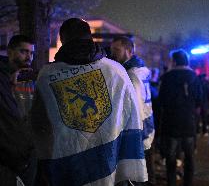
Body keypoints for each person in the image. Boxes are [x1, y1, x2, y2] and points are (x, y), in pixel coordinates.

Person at [30, 18, 147, 186]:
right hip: (109, 162)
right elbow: (131, 115)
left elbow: (39, 126)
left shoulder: (47, 75)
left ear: (62, 40)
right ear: (89, 37)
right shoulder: (116, 70)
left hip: (68, 167)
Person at [110, 36, 155, 185]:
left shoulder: (130, 75)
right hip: (147, 126)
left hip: (138, 130)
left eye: (117, 50)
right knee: (147, 173)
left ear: (129, 51)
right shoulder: (140, 70)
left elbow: (132, 108)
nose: (113, 54)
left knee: (137, 177)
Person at [159, 49, 202, 186]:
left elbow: (161, 100)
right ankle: (187, 182)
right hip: (189, 122)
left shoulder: (167, 77)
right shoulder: (194, 77)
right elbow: (200, 99)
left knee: (171, 157)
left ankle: (171, 182)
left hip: (171, 123)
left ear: (175, 61)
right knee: (189, 157)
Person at [0, 35, 37, 186]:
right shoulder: (4, 78)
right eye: (23, 51)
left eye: (31, 53)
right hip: (11, 156)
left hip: (27, 152)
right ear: (10, 52)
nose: (28, 57)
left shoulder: (29, 78)